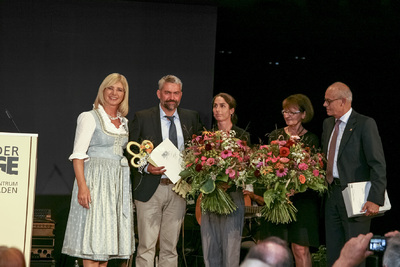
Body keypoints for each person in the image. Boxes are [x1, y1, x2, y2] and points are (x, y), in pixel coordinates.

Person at [129, 75, 204, 267]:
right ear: (159, 94)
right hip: (149, 189)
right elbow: (130, 150)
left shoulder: (191, 117)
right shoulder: (142, 117)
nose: (172, 97)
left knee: (171, 247)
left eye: (176, 93)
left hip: (178, 189)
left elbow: (199, 150)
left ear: (181, 95)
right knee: (146, 246)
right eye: (167, 92)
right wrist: (146, 167)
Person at [62, 73, 134, 267]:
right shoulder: (89, 117)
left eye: (119, 89)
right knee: (93, 244)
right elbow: (78, 155)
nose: (114, 93)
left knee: (105, 248)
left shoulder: (125, 122)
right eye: (110, 88)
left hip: (116, 186)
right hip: (96, 181)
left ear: (124, 94)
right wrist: (83, 187)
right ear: (103, 90)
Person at [322, 82, 387, 267]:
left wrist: (375, 198)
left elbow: (378, 163)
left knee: (355, 254)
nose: (325, 105)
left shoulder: (365, 124)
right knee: (334, 253)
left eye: (328, 101)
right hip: (331, 195)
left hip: (356, 197)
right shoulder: (328, 124)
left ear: (343, 101)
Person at [259, 94, 320, 267]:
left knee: (300, 249)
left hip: (302, 202)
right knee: (277, 250)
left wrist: (296, 185)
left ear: (304, 114)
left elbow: (314, 170)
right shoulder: (275, 136)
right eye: (285, 111)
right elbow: (266, 166)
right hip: (278, 199)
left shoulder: (311, 139)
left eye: (293, 112)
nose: (287, 115)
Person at [200, 92, 251, 267]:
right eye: (215, 105)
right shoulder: (207, 136)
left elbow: (245, 167)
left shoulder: (242, 135)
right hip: (211, 195)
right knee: (210, 246)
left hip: (232, 196)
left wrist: (229, 178)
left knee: (231, 247)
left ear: (231, 110)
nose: (217, 110)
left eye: (222, 106)